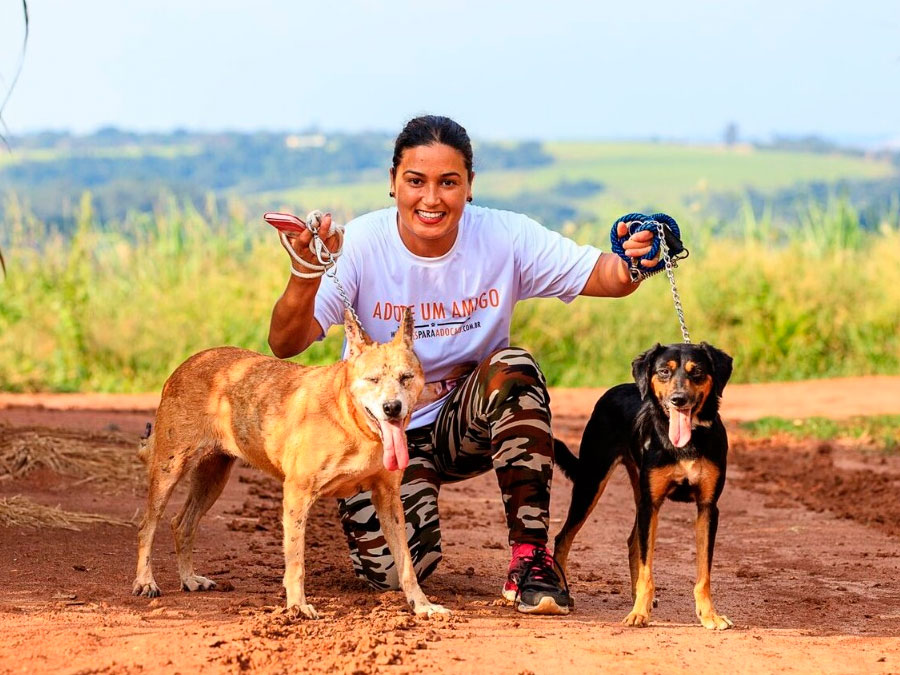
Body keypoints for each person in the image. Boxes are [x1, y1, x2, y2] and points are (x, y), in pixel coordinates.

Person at [268, 115, 658, 615]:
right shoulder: (361, 244)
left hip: (463, 427)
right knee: (391, 574)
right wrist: (305, 272)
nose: (431, 199)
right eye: (416, 181)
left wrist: (635, 261)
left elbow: (606, 275)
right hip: (376, 440)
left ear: (469, 187)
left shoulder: (504, 237)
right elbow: (285, 342)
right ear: (393, 184)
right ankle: (408, 515)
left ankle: (530, 559)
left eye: (448, 183)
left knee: (513, 368)